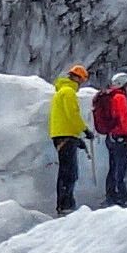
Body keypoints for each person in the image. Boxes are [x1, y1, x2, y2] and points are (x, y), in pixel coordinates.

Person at [46, 65, 91, 214]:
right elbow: (72, 114)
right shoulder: (68, 92)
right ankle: (66, 204)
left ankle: (65, 203)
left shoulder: (61, 92)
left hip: (62, 134)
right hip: (66, 135)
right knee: (69, 172)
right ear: (77, 78)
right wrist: (84, 130)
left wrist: (77, 139)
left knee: (67, 171)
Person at [96, 72, 127, 206]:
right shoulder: (120, 98)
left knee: (113, 167)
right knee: (121, 168)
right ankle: (122, 196)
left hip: (112, 137)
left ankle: (111, 195)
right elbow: (123, 118)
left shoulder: (111, 96)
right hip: (121, 137)